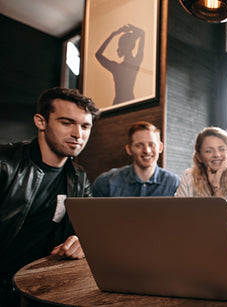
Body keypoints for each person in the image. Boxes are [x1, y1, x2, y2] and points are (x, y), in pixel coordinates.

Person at [0, 87, 100, 306]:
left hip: (41, 284)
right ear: (40, 121)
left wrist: (81, 240)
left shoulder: (79, 176)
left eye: (85, 126)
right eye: (66, 123)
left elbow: (87, 230)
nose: (78, 134)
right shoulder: (5, 164)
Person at [92, 121, 180, 197]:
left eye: (151, 144)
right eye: (139, 145)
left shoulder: (174, 184)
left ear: (160, 147)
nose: (147, 150)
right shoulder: (105, 182)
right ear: (129, 149)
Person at [175, 127, 227, 214]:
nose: (217, 155)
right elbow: (180, 213)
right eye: (208, 151)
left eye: (222, 149)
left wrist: (216, 187)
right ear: (199, 157)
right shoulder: (189, 176)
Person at [95, 24, 145, 105]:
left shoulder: (118, 67)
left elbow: (142, 33)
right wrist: (114, 34)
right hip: (126, 102)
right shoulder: (130, 63)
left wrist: (114, 34)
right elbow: (98, 55)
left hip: (121, 103)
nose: (123, 47)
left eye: (124, 45)